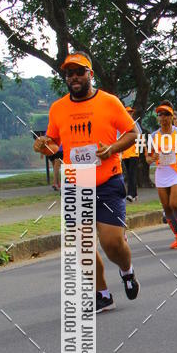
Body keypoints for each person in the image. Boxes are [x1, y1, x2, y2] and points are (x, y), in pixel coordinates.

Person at [33, 51, 140, 312]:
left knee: (112, 243)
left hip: (107, 180)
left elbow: (132, 133)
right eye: (69, 73)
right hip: (76, 182)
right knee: (82, 244)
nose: (74, 77)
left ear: (90, 74)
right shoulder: (58, 108)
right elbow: (54, 144)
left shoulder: (109, 102)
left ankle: (127, 270)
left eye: (79, 72)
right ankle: (102, 294)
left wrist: (112, 148)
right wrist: (43, 146)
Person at [146, 102, 177, 249]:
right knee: (166, 208)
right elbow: (147, 158)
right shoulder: (154, 136)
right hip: (161, 173)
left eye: (166, 114)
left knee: (174, 204)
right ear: (158, 118)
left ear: (172, 117)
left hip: (176, 172)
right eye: (160, 114)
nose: (163, 117)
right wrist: (151, 158)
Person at [121, 105, 140, 202]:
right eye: (128, 112)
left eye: (131, 112)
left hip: (134, 153)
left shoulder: (135, 124)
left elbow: (140, 135)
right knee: (129, 174)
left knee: (132, 173)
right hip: (125, 153)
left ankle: (130, 194)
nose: (129, 114)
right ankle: (135, 194)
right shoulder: (121, 125)